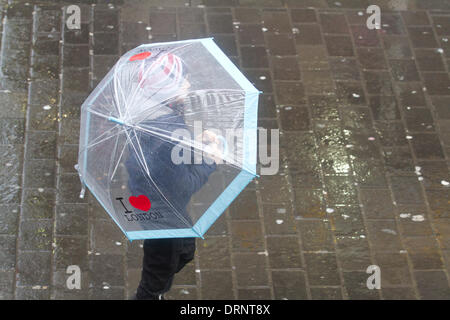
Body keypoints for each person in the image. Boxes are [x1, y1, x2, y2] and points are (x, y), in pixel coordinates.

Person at [124, 52, 223, 300]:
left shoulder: (148, 115)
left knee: (185, 251)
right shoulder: (169, 129)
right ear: (166, 92)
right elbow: (183, 186)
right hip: (162, 211)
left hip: (149, 194)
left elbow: (163, 158)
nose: (188, 85)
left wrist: (190, 145)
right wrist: (210, 161)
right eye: (182, 82)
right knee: (157, 276)